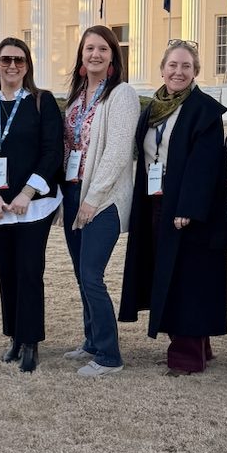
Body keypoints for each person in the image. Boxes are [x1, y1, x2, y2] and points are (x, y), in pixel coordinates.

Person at [119, 40, 227, 374]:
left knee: (188, 278)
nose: (178, 72)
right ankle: (200, 345)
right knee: (164, 271)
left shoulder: (204, 110)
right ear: (162, 69)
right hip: (155, 203)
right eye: (172, 66)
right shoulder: (153, 109)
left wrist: (188, 208)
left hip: (186, 211)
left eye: (185, 66)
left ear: (196, 72)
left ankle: (187, 356)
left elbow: (207, 163)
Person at [0, 38, 63, 373]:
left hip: (33, 205)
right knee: (6, 272)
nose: (12, 66)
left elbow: (52, 151)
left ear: (28, 66)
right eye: (6, 60)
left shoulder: (42, 102)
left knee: (29, 271)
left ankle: (31, 341)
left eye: (20, 61)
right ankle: (13, 336)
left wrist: (27, 193)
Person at [60, 25, 140, 378]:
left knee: (92, 275)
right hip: (73, 192)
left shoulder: (121, 94)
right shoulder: (77, 97)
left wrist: (93, 199)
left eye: (102, 49)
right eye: (89, 48)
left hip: (102, 199)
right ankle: (92, 341)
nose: (95, 54)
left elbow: (118, 152)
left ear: (112, 56)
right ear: (81, 55)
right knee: (81, 274)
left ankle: (109, 356)